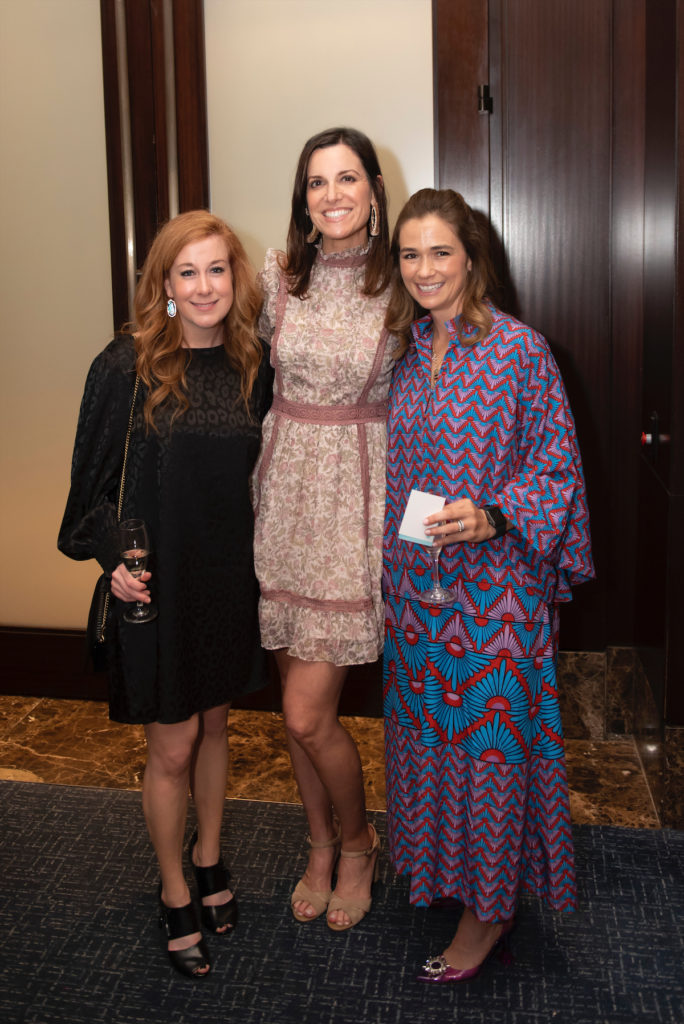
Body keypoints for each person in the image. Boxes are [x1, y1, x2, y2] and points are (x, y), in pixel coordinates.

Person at [382, 188, 595, 982]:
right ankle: (446, 872)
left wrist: (496, 516)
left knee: (491, 749)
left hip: (496, 595)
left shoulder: (518, 350)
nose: (424, 268)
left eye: (440, 251)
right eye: (410, 254)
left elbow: (558, 469)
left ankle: (491, 908)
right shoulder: (405, 353)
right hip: (417, 590)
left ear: (472, 256)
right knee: (430, 739)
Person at [58, 210, 272, 978]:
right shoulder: (126, 366)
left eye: (218, 269)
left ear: (235, 279)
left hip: (228, 581)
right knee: (173, 744)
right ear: (166, 285)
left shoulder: (255, 363)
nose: (206, 285)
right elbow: (85, 500)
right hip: (155, 586)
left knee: (217, 727)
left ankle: (211, 858)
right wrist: (112, 558)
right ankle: (175, 888)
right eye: (188, 272)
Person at [252, 127, 394, 930]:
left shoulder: (399, 282)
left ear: (374, 189)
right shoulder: (279, 278)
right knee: (289, 708)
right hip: (281, 502)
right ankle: (318, 843)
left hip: (354, 511)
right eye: (316, 182)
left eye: (347, 179)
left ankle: (361, 840)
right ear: (302, 197)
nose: (332, 195)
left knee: (311, 713)